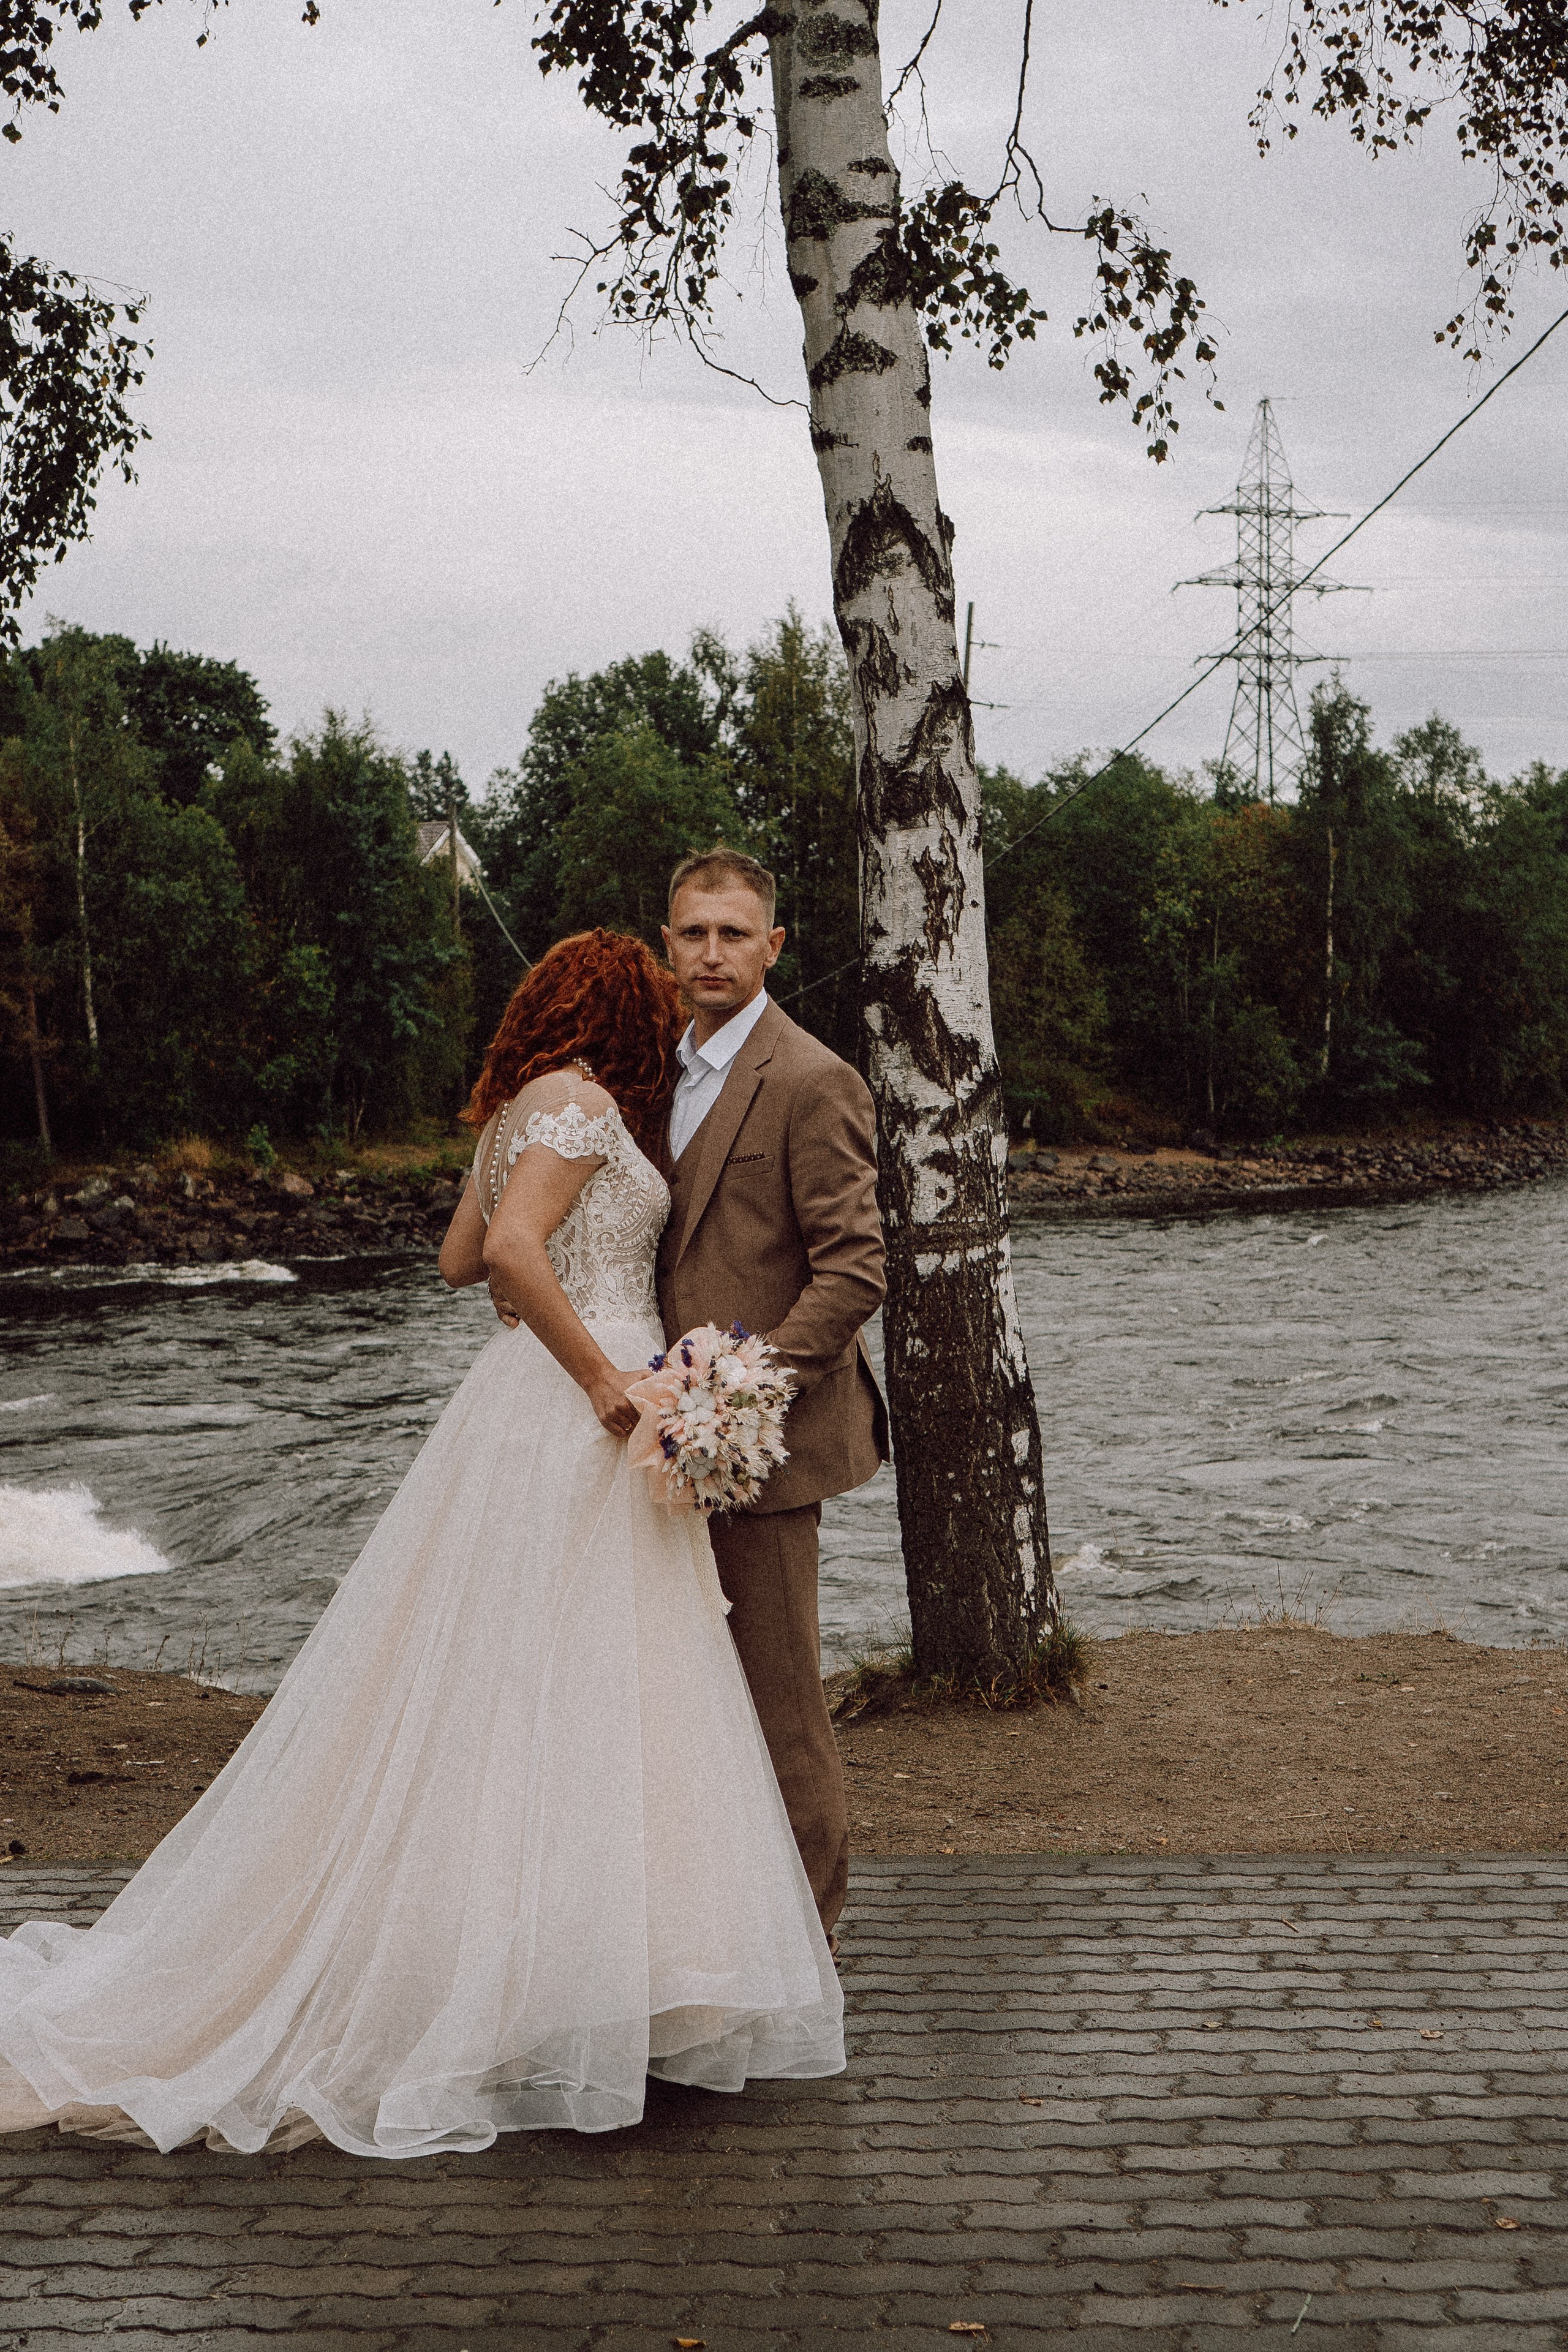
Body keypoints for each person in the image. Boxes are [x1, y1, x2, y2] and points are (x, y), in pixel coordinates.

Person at [0, 929, 843, 2157]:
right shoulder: (579, 1102)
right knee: (586, 1690)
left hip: (517, 1407)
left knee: (531, 1691)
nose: (670, 1013)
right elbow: (502, 1255)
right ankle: (563, 1989)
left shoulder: (517, 1112)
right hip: (574, 1406)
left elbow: (461, 1255)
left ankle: (561, 1975)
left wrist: (553, 1283)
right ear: (616, 1005)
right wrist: (607, 1374)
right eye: (655, 993)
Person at [496, 851, 887, 1937]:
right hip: (633, 1445)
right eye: (692, 934)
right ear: (667, 946)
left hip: (752, 1441)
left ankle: (812, 1948)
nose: (712, 952)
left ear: (774, 946)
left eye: (733, 933)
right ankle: (691, 1943)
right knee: (667, 1710)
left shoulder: (814, 1080)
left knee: (776, 1701)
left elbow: (854, 1269)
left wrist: (738, 1388)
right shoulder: (643, 1077)